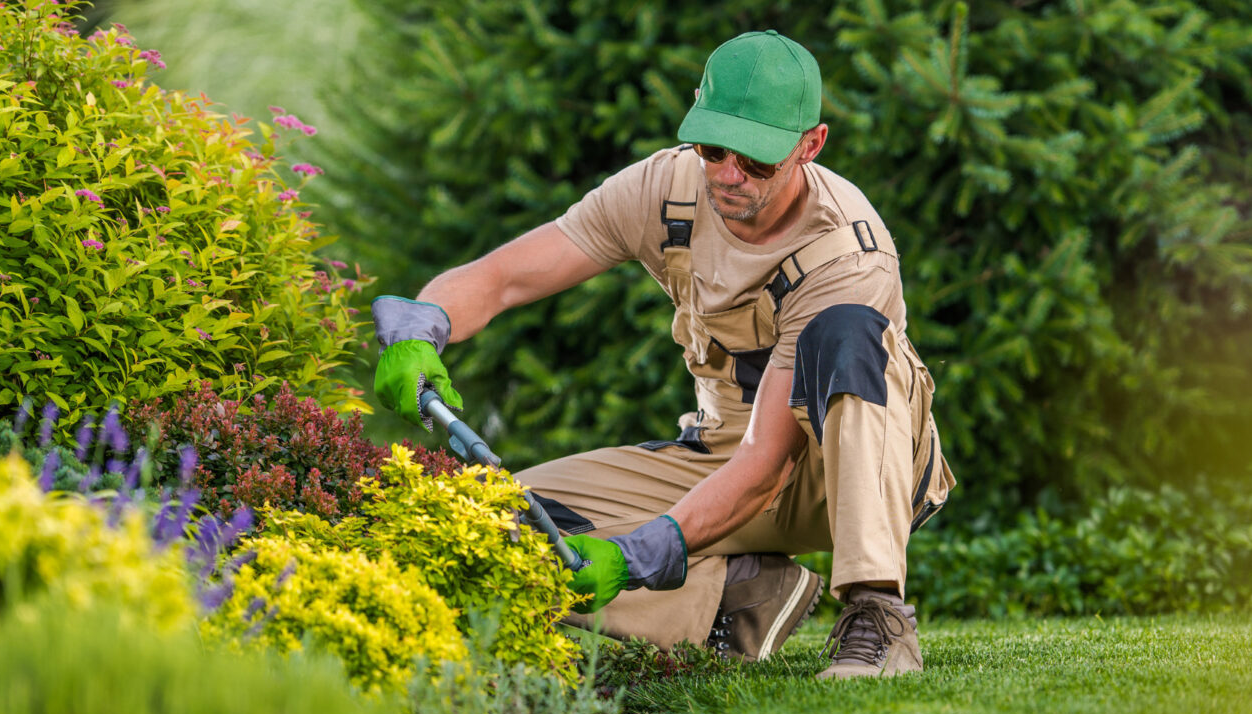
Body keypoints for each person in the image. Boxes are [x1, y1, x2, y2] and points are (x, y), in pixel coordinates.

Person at [370, 30, 953, 680]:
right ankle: (735, 594)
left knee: (847, 333)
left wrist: (637, 554)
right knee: (496, 523)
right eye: (714, 148)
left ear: (810, 145)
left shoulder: (847, 254)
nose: (728, 174)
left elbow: (768, 463)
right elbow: (506, 277)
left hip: (840, 471)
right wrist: (423, 325)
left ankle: (878, 614)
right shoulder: (665, 189)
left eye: (757, 160)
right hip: (721, 453)